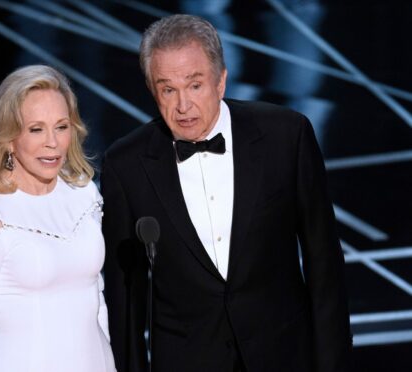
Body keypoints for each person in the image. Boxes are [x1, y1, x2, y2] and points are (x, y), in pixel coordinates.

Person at [101, 14, 352, 372]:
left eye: (195, 85)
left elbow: (324, 265)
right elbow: (126, 298)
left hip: (284, 356)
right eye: (167, 89)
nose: (182, 105)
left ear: (221, 81)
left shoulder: (286, 136)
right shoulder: (126, 165)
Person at [0, 65, 116, 372]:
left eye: (62, 126)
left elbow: (96, 296)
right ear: (9, 138)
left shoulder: (84, 194)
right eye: (36, 129)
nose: (52, 143)